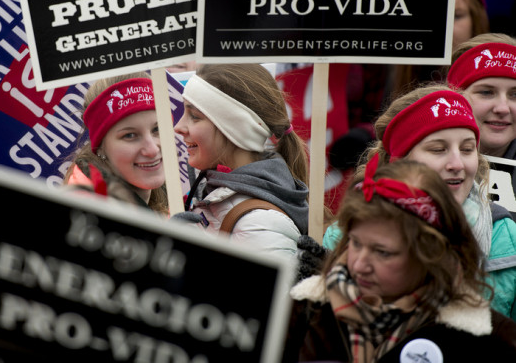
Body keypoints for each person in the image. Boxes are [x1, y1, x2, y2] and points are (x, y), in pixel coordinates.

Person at [285, 157, 516, 362]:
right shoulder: (305, 312)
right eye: (355, 243)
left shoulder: (488, 341)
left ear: (430, 255)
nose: (358, 265)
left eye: (383, 252)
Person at [324, 85, 516, 320]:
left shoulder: (506, 236)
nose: (457, 164)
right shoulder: (346, 236)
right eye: (438, 149)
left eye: (467, 149)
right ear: (399, 162)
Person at [173, 63, 309, 258]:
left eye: (194, 116)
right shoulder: (215, 189)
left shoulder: (260, 227)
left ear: (235, 128)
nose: (178, 127)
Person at [389, 0, 490, 99]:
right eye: (433, 15)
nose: (444, 28)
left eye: (456, 16)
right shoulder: (392, 73)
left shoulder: (500, 81)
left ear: (477, 20)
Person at [64, 72, 168, 214]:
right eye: (130, 135)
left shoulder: (168, 197)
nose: (152, 150)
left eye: (157, 129)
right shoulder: (88, 214)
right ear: (100, 147)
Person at [448, 34, 516, 188]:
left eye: (515, 94)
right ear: (454, 96)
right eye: (486, 92)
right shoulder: (416, 163)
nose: (502, 108)